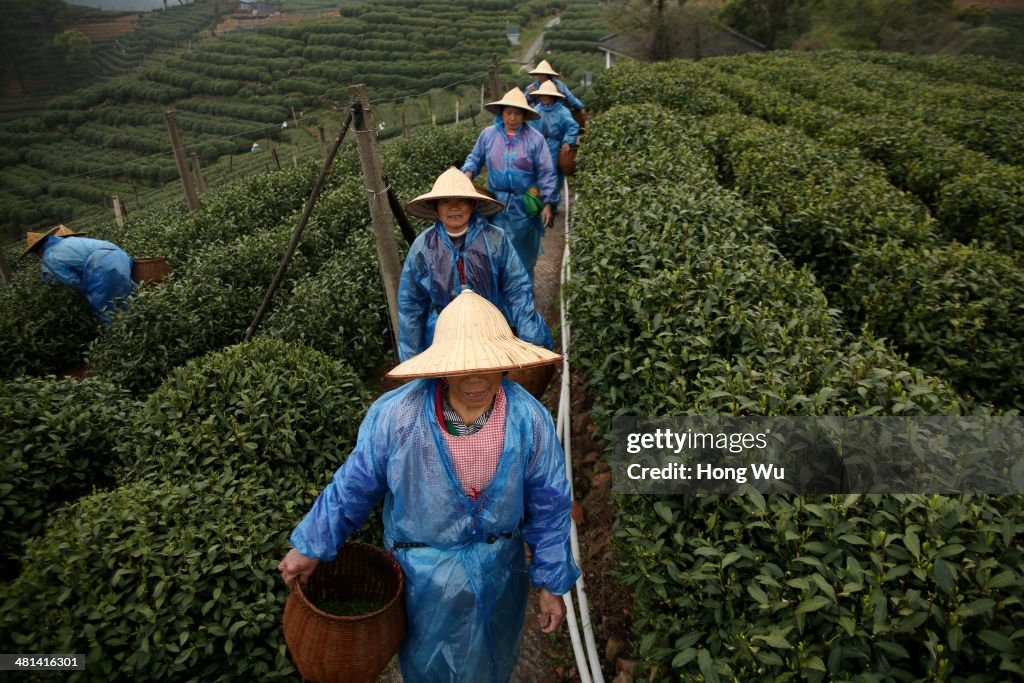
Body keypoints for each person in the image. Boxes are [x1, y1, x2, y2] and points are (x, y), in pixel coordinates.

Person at [278, 289, 580, 682]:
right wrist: (312, 545)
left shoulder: (528, 420)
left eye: (485, 365)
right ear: (443, 368)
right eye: (462, 367)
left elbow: (550, 505)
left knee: (489, 665)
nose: (474, 378)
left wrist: (551, 584)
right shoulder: (399, 418)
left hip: (499, 576)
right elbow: (354, 485)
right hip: (423, 582)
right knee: (426, 668)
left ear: (504, 365)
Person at [398, 167, 554, 362]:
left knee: (490, 385)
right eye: (445, 201)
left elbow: (517, 288)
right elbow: (410, 304)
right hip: (442, 337)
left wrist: (531, 334)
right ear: (435, 209)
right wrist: (411, 357)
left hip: (491, 332)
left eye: (461, 200)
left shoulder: (495, 239)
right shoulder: (423, 247)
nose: (454, 207)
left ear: (472, 205)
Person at [461, 88, 557, 281]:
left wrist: (548, 202)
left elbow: (546, 171)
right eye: (508, 112)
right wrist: (466, 175)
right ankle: (500, 302)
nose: (512, 117)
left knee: (523, 257)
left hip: (524, 206)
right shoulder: (488, 135)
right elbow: (475, 158)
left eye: (517, 113)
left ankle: (524, 300)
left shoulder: (535, 139)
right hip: (495, 205)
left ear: (524, 115)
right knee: (495, 254)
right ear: (502, 113)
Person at [19, 224, 135, 323]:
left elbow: (72, 281)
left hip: (100, 265)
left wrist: (85, 293)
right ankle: (139, 320)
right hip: (120, 255)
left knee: (104, 307)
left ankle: (120, 333)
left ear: (37, 251)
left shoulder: (49, 257)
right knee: (128, 294)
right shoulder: (70, 241)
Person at [528, 80, 579, 209]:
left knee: (553, 173)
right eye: (542, 95)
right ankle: (540, 201)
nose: (544, 97)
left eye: (547, 95)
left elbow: (572, 127)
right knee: (537, 172)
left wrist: (567, 141)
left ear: (553, 96)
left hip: (555, 145)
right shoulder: (537, 109)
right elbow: (531, 129)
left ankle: (553, 204)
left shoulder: (562, 111)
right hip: (539, 144)